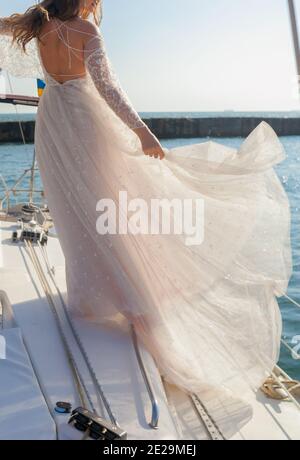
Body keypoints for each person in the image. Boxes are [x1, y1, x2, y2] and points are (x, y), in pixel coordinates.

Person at [0, 0, 293, 433]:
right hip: (84, 122)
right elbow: (109, 89)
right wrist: (142, 132)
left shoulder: (39, 22)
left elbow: (5, 27)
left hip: (53, 122)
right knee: (110, 207)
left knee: (76, 212)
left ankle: (92, 294)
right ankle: (129, 291)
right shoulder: (85, 32)